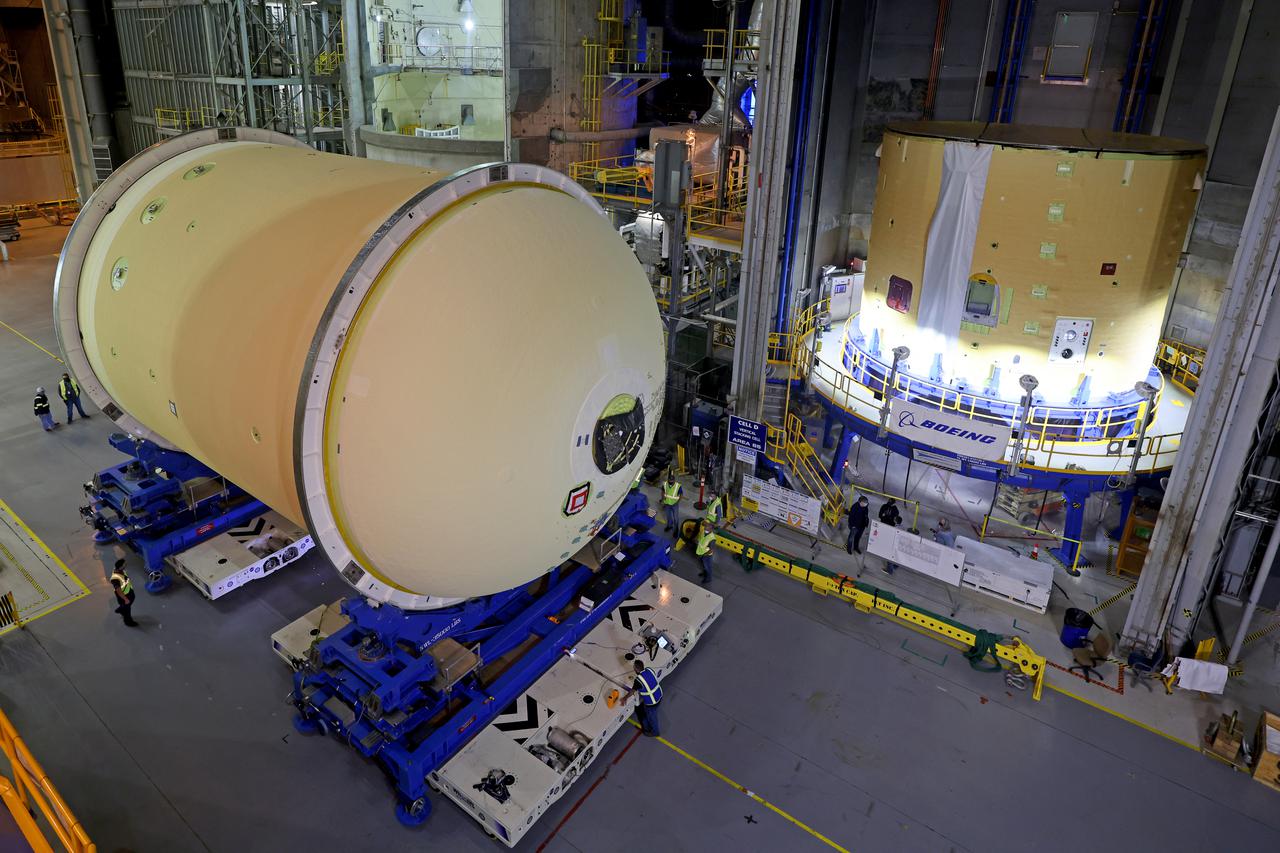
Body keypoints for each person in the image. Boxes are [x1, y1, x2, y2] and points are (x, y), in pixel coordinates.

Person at [631, 659, 663, 736]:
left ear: (636, 669)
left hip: (652, 702)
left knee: (652, 718)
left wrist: (624, 698)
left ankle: (655, 732)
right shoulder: (649, 670)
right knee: (647, 715)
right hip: (659, 695)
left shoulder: (638, 680)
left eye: (634, 667)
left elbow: (632, 691)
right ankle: (646, 728)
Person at [110, 559, 138, 627]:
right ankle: (128, 621)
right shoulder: (115, 579)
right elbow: (118, 591)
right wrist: (125, 599)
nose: (125, 565)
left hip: (128, 592)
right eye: (124, 564)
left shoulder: (120, 570)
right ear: (120, 566)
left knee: (127, 606)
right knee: (127, 610)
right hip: (124, 596)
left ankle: (121, 609)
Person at [878, 499, 903, 574]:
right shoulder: (886, 507)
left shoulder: (893, 510)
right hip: (886, 527)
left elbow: (881, 516)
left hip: (889, 530)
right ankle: (895, 566)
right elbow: (880, 515)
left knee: (890, 554)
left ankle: (890, 570)